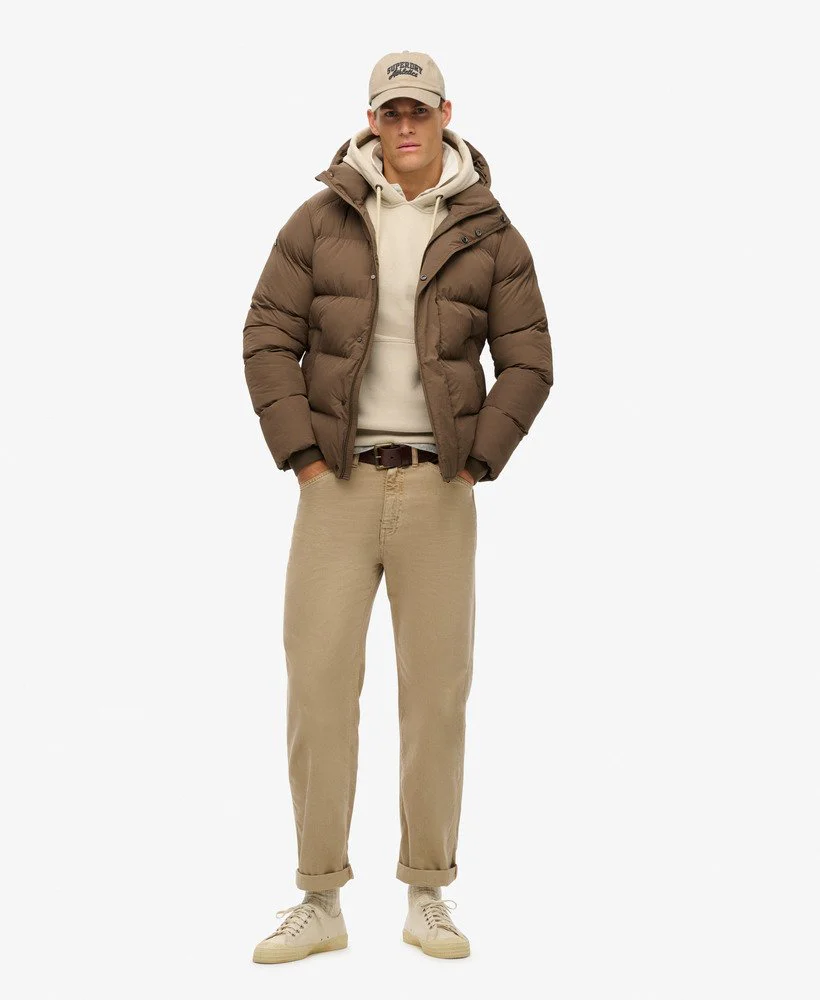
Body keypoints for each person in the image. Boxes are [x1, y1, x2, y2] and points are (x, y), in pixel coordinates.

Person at [242, 49, 553, 964]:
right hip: (333, 488)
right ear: (372, 119)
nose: (406, 126)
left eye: (419, 110)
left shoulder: (490, 230)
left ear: (446, 114)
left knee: (437, 695)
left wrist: (475, 461)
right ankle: (319, 898)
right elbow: (266, 332)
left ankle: (428, 892)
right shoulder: (321, 218)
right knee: (318, 690)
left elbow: (530, 360)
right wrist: (302, 455)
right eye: (391, 113)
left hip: (437, 491)